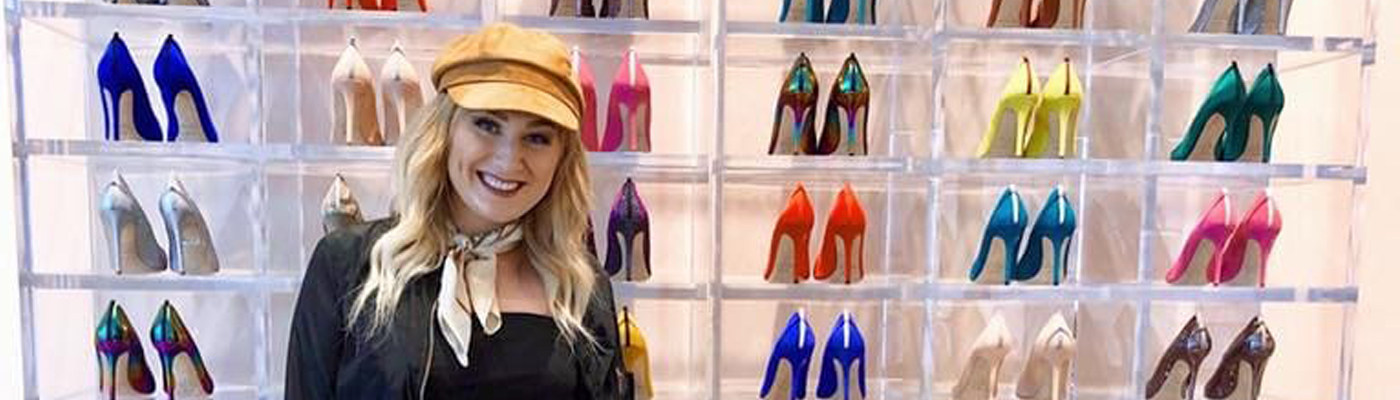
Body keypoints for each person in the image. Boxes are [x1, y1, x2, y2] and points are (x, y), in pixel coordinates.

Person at [286, 23, 623, 399]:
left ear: (562, 158)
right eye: (487, 124)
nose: (510, 160)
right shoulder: (348, 266)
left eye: (537, 137)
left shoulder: (581, 285)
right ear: (444, 132)